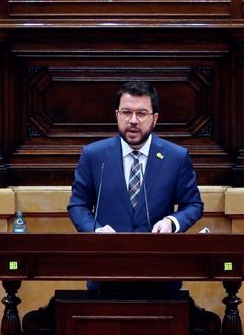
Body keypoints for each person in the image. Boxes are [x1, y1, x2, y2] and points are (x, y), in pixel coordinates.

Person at [68, 80, 203, 235]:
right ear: (117, 115)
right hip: (107, 252)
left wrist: (171, 223)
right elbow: (78, 205)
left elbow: (193, 204)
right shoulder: (94, 155)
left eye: (141, 113)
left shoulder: (176, 157)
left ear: (155, 118)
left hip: (156, 253)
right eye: (126, 112)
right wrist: (96, 230)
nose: (133, 121)